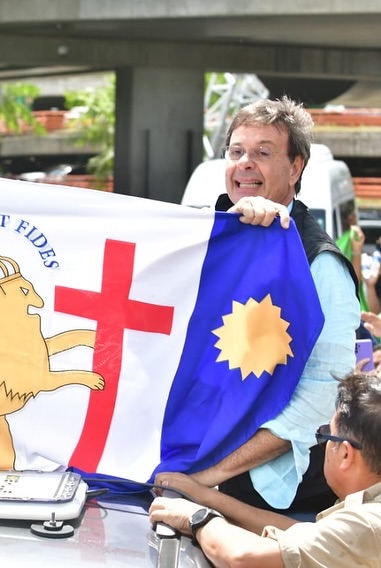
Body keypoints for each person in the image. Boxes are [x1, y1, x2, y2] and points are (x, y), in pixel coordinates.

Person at [161, 97, 361, 514]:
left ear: (295, 167)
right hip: (178, 466)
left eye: (263, 152)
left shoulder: (321, 264)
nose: (245, 163)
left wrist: (210, 477)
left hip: (262, 498)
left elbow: (321, 399)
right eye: (236, 152)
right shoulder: (205, 235)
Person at [149, 372, 381, 567]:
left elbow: (243, 557)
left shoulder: (368, 523)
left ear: (346, 454)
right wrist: (208, 497)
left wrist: (195, 518)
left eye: (325, 434)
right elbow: (303, 534)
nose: (323, 445)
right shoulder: (367, 511)